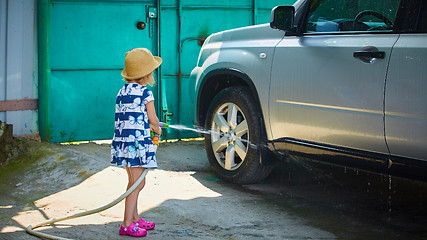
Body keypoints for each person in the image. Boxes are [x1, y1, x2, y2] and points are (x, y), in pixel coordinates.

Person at [111, 48, 162, 237]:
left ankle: (134, 218)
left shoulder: (122, 91)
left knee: (135, 182)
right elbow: (153, 119)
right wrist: (157, 128)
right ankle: (126, 224)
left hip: (124, 144)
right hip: (137, 145)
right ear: (146, 74)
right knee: (136, 184)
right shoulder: (145, 93)